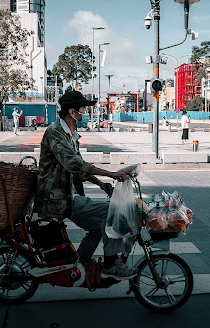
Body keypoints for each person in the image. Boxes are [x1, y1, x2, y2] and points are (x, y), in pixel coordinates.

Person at [34, 91, 137, 281]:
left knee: (98, 226)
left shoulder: (70, 135)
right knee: (111, 212)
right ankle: (111, 264)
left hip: (67, 195)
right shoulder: (55, 132)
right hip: (56, 199)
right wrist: (112, 174)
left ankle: (79, 265)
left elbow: (80, 168)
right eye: (84, 109)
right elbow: (75, 164)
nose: (86, 113)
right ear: (73, 113)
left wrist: (101, 184)